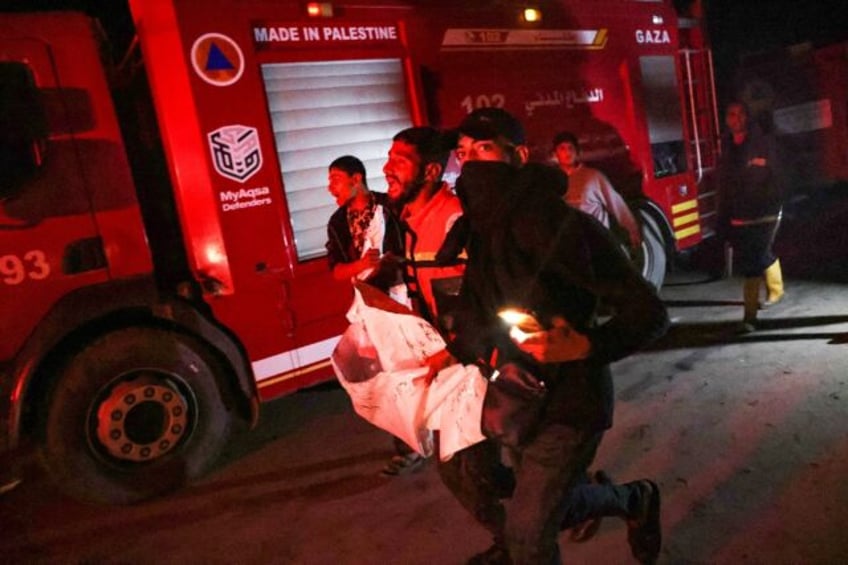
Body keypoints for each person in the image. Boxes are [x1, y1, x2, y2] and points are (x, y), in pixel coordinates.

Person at [431, 107, 669, 564]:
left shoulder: (562, 227)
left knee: (527, 534)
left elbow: (649, 312)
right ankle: (629, 501)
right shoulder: (481, 232)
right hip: (512, 399)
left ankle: (626, 501)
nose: (470, 163)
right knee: (512, 497)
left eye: (483, 149)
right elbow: (480, 310)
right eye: (462, 154)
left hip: (569, 403)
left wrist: (588, 345)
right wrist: (452, 353)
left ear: (518, 156)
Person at [324, 155, 421, 476]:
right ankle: (408, 444)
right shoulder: (338, 222)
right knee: (384, 377)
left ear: (356, 178)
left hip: (400, 301)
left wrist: (389, 266)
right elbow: (337, 271)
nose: (330, 187)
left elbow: (412, 248)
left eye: (335, 179)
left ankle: (424, 438)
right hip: (368, 309)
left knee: (411, 372)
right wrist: (363, 265)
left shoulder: (389, 207)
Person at [383, 126, 466, 332]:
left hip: (470, 358)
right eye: (389, 158)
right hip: (439, 351)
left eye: (400, 161)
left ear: (431, 172)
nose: (386, 169)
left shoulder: (456, 220)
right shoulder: (405, 221)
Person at [716, 100, 785, 332]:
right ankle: (776, 289)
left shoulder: (762, 142)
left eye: (741, 114)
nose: (736, 119)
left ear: (748, 117)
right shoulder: (726, 146)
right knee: (757, 255)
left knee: (753, 262)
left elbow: (776, 172)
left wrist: (758, 168)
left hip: (765, 210)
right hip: (740, 213)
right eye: (731, 114)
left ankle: (749, 318)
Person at [552, 130, 642, 256]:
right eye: (562, 148)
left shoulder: (593, 177)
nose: (567, 152)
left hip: (596, 242)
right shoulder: (552, 180)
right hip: (571, 245)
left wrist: (632, 229)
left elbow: (616, 204)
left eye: (571, 148)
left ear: (577, 152)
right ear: (555, 153)